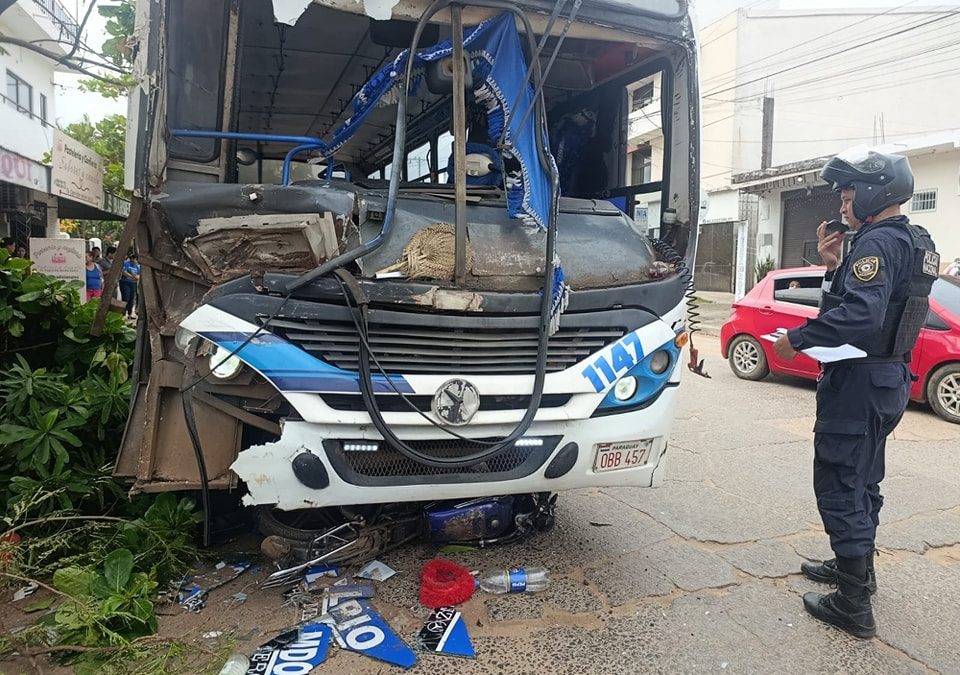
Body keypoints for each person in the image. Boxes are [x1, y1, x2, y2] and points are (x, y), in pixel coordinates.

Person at [773, 146, 938, 638]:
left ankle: (852, 603)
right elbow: (881, 309)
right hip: (887, 379)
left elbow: (861, 316)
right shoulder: (913, 240)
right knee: (863, 479)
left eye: (848, 195)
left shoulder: (876, 243)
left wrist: (796, 340)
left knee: (841, 481)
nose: (842, 206)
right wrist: (832, 267)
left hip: (860, 381)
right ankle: (855, 570)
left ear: (872, 192)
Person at [119, 252, 141, 318]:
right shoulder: (126, 263)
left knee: (132, 298)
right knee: (126, 297)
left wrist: (133, 276)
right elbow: (124, 272)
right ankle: (123, 313)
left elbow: (138, 276)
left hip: (133, 283)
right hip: (125, 282)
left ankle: (130, 313)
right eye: (134, 259)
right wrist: (133, 276)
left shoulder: (137, 266)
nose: (135, 261)